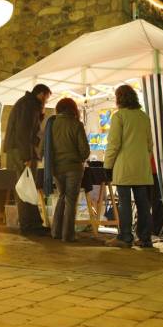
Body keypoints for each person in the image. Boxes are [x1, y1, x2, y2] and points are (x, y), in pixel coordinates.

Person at [104, 84, 154, 248]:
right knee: (142, 203)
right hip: (142, 166)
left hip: (124, 166)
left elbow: (114, 144)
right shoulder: (143, 116)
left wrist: (108, 165)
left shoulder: (119, 117)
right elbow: (149, 144)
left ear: (119, 98)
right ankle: (145, 238)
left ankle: (125, 237)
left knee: (124, 203)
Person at [3, 84, 52, 235]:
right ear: (41, 94)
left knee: (27, 186)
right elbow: (23, 132)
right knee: (26, 187)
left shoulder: (27, 103)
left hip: (20, 151)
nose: (46, 101)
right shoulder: (29, 105)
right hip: (22, 152)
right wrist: (26, 156)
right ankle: (29, 225)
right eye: (46, 97)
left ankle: (32, 223)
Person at [47, 98, 90, 242]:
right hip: (73, 168)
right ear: (73, 109)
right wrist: (79, 158)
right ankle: (68, 235)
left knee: (61, 196)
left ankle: (56, 232)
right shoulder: (76, 124)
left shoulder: (51, 125)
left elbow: (44, 148)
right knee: (71, 200)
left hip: (57, 168)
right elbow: (85, 151)